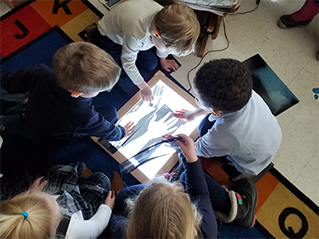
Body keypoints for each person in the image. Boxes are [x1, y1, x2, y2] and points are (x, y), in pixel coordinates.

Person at [108, 134, 258, 239]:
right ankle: (237, 207)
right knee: (185, 177)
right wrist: (191, 159)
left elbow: (113, 220)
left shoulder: (120, 229)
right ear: (193, 226)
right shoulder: (205, 230)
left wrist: (107, 210)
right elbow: (200, 195)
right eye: (184, 196)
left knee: (123, 197)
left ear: (135, 223)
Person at [0, 42, 135, 147]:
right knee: (110, 113)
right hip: (53, 137)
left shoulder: (39, 72)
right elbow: (105, 129)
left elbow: (8, 82)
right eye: (98, 91)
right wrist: (121, 133)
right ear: (76, 93)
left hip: (30, 112)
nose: (99, 93)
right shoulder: (84, 115)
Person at [174, 59, 282, 176]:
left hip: (250, 163)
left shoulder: (228, 133)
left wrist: (178, 145)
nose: (196, 100)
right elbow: (215, 108)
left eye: (197, 99)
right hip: (270, 135)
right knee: (206, 125)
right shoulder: (242, 90)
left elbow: (200, 149)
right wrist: (194, 114)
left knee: (203, 128)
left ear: (216, 111)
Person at [89, 0, 200, 102]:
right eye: (168, 50)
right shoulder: (137, 34)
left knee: (151, 64)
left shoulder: (166, 19)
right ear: (156, 34)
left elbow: (163, 42)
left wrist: (163, 59)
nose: (168, 53)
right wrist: (144, 87)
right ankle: (93, 37)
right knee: (111, 73)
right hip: (111, 38)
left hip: (138, 38)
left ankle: (143, 50)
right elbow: (127, 63)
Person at [0, 162, 116, 239]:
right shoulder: (72, 231)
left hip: (69, 201)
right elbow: (96, 226)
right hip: (80, 210)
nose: (54, 198)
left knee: (59, 172)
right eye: (55, 202)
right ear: (57, 223)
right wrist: (107, 208)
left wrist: (31, 194)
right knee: (102, 179)